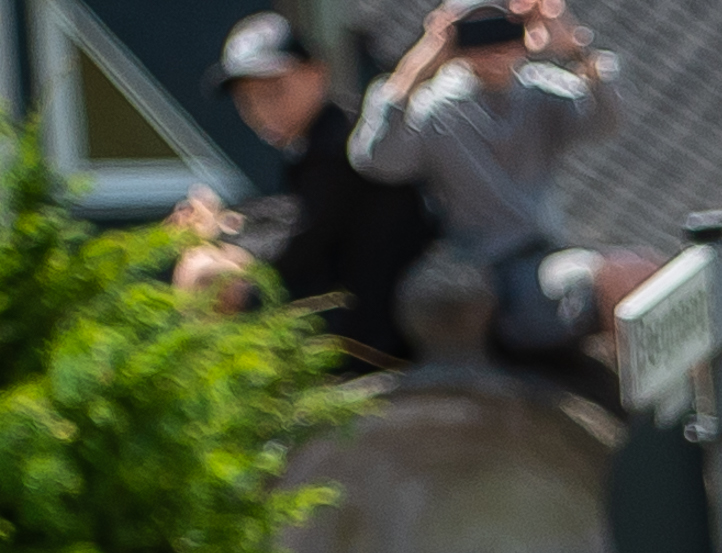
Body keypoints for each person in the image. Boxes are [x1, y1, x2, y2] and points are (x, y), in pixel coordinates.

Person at [346, 1, 645, 372]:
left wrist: (575, 46)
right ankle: (647, 414)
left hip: (548, 261)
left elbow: (609, 119)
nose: (493, 46)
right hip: (485, 282)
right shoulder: (437, 109)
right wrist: (413, 69)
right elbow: (374, 159)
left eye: (503, 30)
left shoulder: (539, 91)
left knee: (646, 273)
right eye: (476, 34)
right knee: (612, 278)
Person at [203, 13, 436, 371]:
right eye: (247, 99)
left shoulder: (339, 143)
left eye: (274, 90)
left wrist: (219, 236)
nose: (262, 109)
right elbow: (295, 211)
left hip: (371, 341)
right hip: (359, 318)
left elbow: (296, 248)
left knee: (207, 274)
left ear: (317, 73)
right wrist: (230, 223)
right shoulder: (322, 137)